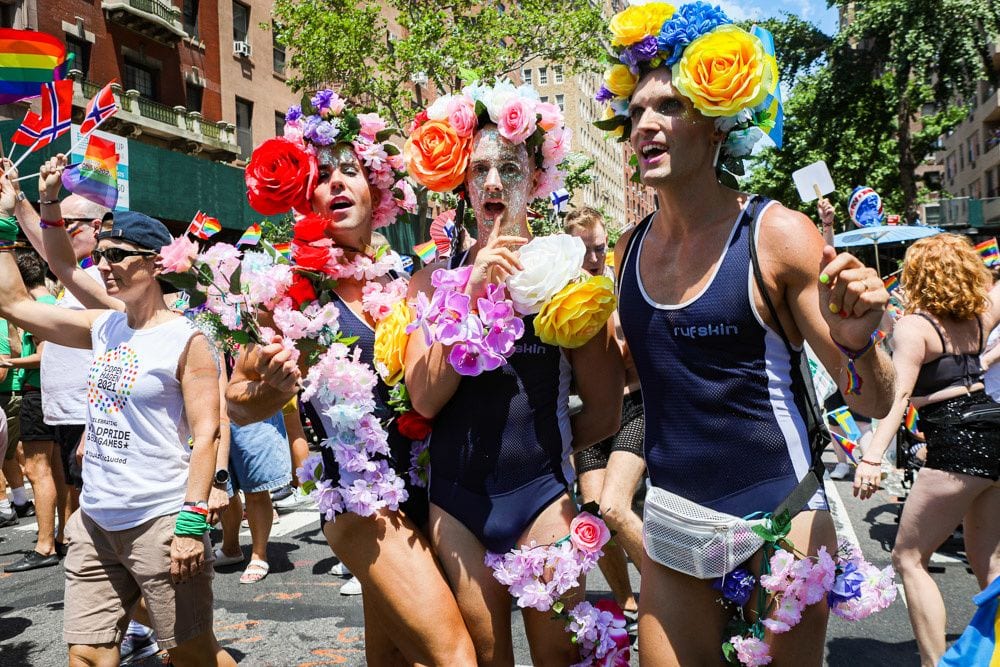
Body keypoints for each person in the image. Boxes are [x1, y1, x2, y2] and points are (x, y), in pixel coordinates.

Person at [594, 5, 894, 664]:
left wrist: (859, 341)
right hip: (673, 522)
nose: (645, 124)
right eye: (637, 110)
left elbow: (870, 399)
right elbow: (644, 391)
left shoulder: (777, 234)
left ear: (715, 123)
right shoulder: (626, 250)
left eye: (669, 106)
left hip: (780, 518)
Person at [226, 91, 476, 665]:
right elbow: (236, 402)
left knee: (395, 658)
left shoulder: (402, 278)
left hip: (430, 493)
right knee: (454, 656)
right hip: (362, 503)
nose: (336, 183)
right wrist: (273, 388)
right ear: (304, 196)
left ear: (377, 190)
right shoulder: (289, 291)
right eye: (322, 176)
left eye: (351, 171)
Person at [403, 81, 625, 665]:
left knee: (559, 658)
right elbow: (424, 401)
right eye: (479, 170)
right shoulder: (429, 283)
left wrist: (550, 451)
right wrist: (471, 295)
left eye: (509, 168)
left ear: (536, 178)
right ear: (462, 183)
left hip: (543, 499)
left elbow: (606, 412)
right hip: (457, 505)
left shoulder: (569, 282)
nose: (494, 183)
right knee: (484, 658)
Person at [0, 155, 234, 667]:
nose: (104, 264)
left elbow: (208, 431)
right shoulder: (104, 325)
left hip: (160, 519)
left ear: (155, 265)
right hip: (95, 519)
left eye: (118, 255)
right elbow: (18, 302)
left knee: (193, 655)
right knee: (86, 654)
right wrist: (12, 218)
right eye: (102, 253)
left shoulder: (187, 338)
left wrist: (193, 521)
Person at [858, 234, 1000, 667]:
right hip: (994, 428)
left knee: (908, 557)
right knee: (988, 562)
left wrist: (871, 457)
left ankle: (935, 662)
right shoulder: (981, 316)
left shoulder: (915, 327)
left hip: (958, 442)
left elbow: (898, 396)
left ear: (919, 276)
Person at [564, 207, 645, 622]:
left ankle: (678, 594)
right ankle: (627, 602)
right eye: (584, 251)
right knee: (594, 515)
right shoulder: (560, 300)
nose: (594, 259)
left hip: (634, 408)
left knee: (615, 507)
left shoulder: (624, 289)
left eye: (600, 248)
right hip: (590, 415)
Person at [3, 248, 69, 571]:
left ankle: (44, 545)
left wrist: (9, 362)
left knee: (36, 470)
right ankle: (63, 536)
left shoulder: (38, 309)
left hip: (38, 393)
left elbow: (43, 356)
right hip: (52, 395)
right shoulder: (55, 303)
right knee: (56, 469)